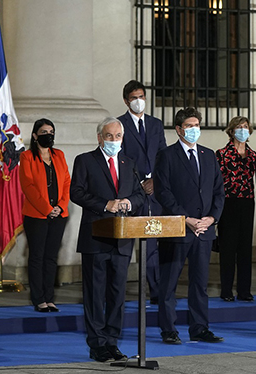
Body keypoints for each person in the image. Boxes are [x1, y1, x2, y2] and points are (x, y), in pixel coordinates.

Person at [70, 117, 145, 362]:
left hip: (122, 239)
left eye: (118, 136)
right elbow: (76, 192)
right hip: (96, 237)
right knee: (94, 294)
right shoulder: (85, 160)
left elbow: (140, 195)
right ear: (100, 137)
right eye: (109, 136)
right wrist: (106, 204)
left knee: (117, 294)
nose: (114, 140)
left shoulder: (129, 163)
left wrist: (129, 203)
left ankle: (112, 342)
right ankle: (97, 344)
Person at [154, 107, 225, 345]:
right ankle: (168, 330)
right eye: (189, 126)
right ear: (178, 129)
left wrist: (211, 218)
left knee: (200, 283)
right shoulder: (167, 155)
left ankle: (199, 328)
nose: (194, 130)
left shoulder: (208, 155)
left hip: (204, 230)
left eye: (196, 125)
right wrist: (185, 218)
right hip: (177, 228)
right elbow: (163, 192)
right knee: (169, 283)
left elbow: (218, 192)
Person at [118, 80, 167, 304]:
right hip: (130, 192)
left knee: (152, 244)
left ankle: (155, 292)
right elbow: (121, 159)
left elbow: (163, 156)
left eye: (142, 96)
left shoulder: (156, 124)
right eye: (134, 97)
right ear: (127, 100)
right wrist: (140, 184)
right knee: (125, 245)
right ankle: (117, 292)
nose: (139, 101)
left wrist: (155, 181)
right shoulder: (119, 124)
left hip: (154, 192)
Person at [19, 118, 71, 313]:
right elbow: (28, 187)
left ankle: (50, 298)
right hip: (36, 216)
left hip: (59, 214)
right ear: (35, 135)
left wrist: (60, 206)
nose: (48, 135)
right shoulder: (26, 157)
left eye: (51, 131)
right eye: (44, 132)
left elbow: (66, 182)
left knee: (51, 257)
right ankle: (38, 299)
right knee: (37, 257)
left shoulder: (59, 155)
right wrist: (47, 208)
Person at [215, 116, 256, 302]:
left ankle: (244, 290)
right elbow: (216, 183)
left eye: (245, 127)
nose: (242, 130)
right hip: (228, 203)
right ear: (231, 131)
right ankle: (226, 290)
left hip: (247, 202)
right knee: (228, 247)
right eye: (239, 127)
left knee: (245, 248)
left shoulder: (254, 155)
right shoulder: (222, 154)